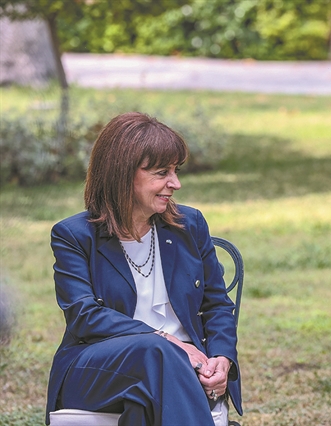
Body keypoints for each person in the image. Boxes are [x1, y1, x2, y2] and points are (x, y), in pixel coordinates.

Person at [45, 112, 242, 426]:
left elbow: (217, 304)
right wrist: (168, 341)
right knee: (156, 353)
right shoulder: (74, 236)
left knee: (144, 399)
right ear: (122, 174)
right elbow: (84, 316)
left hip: (185, 370)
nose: (175, 183)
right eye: (162, 173)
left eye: (175, 171)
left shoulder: (189, 225)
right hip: (97, 371)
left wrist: (221, 357)